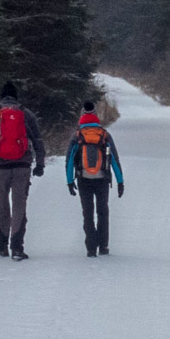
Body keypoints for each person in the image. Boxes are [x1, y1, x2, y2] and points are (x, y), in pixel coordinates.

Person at [0, 81, 46, 260]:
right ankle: (17, 247)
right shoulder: (26, 114)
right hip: (22, 166)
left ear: (1, 97)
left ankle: (1, 245)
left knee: (1, 206)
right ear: (16, 97)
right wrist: (40, 164)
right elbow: (37, 140)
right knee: (19, 205)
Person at [65, 100, 124, 258]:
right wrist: (120, 181)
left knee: (88, 212)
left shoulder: (77, 135)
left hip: (83, 178)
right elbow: (114, 159)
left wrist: (70, 181)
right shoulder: (104, 135)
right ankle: (103, 246)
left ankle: (91, 247)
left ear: (81, 116)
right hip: (102, 178)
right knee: (103, 211)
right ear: (96, 115)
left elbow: (70, 160)